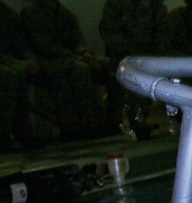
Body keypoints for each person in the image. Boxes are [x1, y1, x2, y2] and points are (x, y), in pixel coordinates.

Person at [20, 0, 112, 140]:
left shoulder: (64, 13)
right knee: (75, 71)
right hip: (46, 59)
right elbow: (42, 45)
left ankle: (101, 120)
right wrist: (75, 56)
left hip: (68, 58)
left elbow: (77, 38)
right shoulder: (31, 13)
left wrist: (84, 52)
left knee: (106, 67)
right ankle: (73, 124)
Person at [99, 0, 170, 139]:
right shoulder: (115, 5)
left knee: (145, 77)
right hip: (123, 55)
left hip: (148, 55)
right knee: (124, 78)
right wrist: (132, 51)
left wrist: (154, 52)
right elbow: (110, 33)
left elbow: (164, 33)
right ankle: (119, 122)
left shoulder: (156, 6)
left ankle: (140, 120)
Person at [0, 1, 42, 151]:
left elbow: (20, 44)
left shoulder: (5, 14)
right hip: (6, 63)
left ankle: (23, 133)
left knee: (16, 73)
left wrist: (28, 60)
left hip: (8, 62)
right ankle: (4, 136)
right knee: (8, 75)